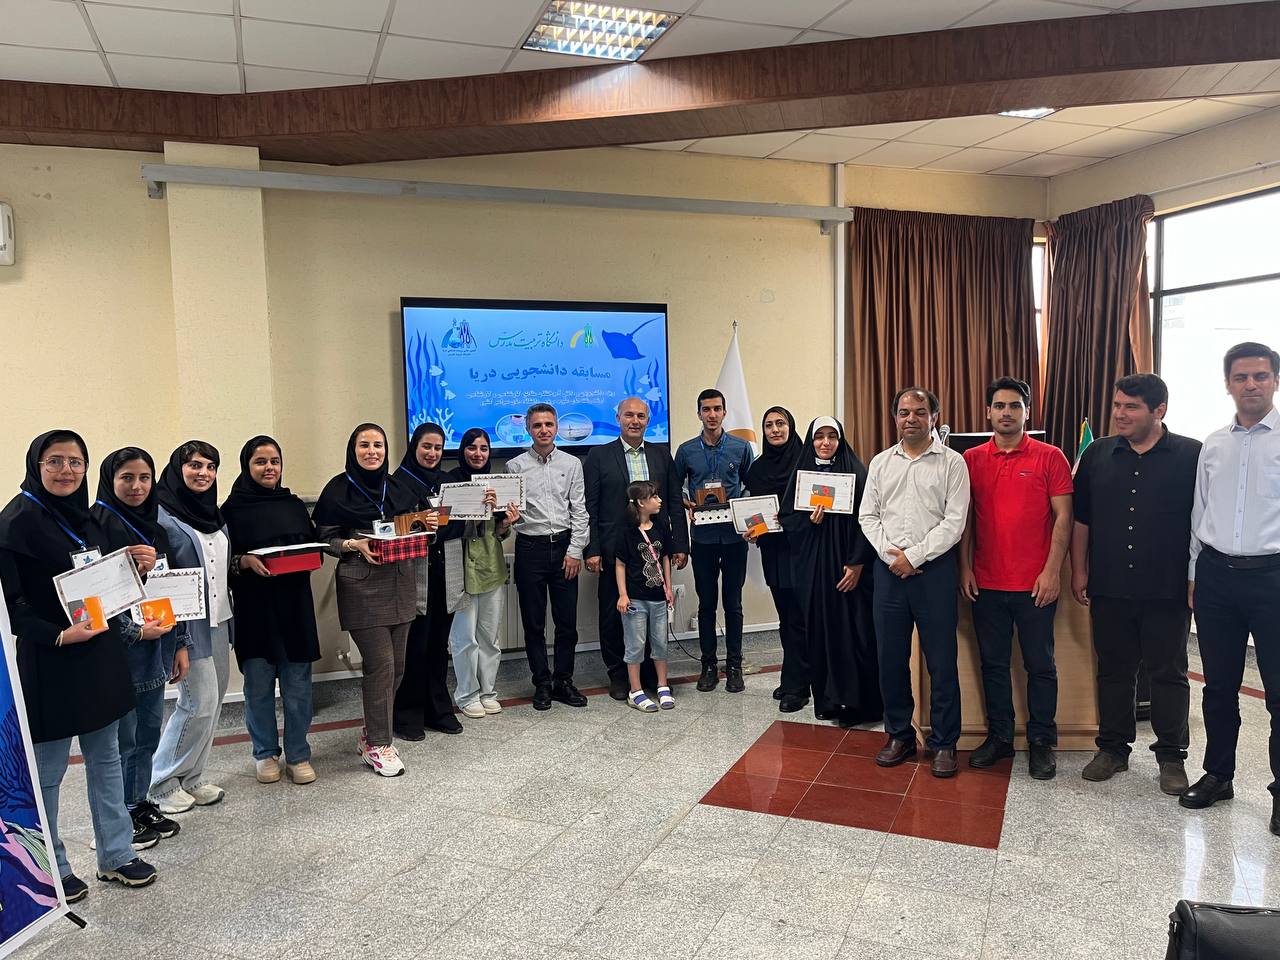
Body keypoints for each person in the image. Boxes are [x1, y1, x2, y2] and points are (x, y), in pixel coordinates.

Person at [0, 431, 158, 899]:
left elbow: (111, 589)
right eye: (55, 461)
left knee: (106, 760)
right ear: (36, 465)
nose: (66, 471)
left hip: (99, 656)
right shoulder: (14, 524)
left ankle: (117, 854)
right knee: (47, 773)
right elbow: (13, 606)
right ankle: (52, 867)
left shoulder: (92, 521)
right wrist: (60, 634)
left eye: (75, 462)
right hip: (49, 659)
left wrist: (137, 569)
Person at [1070, 374, 1198, 795]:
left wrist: (1195, 577)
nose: (1119, 414)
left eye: (1131, 407)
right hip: (1110, 584)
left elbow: (1203, 523)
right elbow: (1082, 519)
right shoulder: (1097, 454)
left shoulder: (1191, 456)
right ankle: (1112, 749)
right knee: (1114, 671)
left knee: (1168, 673)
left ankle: (1171, 756)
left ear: (1159, 410)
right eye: (1117, 405)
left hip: (1166, 587)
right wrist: (1079, 570)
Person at [1181, 342, 1280, 834]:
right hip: (1216, 575)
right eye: (1241, 377)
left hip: (1273, 577)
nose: (1251, 384)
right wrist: (1194, 573)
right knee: (1218, 687)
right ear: (1228, 385)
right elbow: (1200, 510)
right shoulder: (1214, 444)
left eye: (1260, 376)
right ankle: (1219, 775)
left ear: (1275, 381)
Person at [960, 377, 1073, 781]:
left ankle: (1042, 741)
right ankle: (1000, 737)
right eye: (999, 406)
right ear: (988, 412)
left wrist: (1052, 571)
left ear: (1027, 412)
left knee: (1040, 665)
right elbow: (965, 519)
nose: (1006, 412)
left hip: (1034, 586)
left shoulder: (1050, 457)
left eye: (1014, 406)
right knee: (993, 664)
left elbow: (1064, 517)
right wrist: (964, 567)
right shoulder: (970, 459)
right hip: (986, 584)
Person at [860, 387, 970, 778]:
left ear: (934, 417)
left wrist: (915, 556)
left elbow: (954, 523)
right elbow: (868, 516)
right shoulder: (880, 463)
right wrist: (893, 557)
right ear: (895, 418)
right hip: (889, 572)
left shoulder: (953, 463)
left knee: (941, 661)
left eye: (920, 412)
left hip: (934, 573)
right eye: (904, 412)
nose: (912, 419)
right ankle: (899, 735)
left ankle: (944, 742)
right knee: (890, 659)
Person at [91, 447, 190, 844]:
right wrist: (132, 632)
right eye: (126, 478)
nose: (136, 486)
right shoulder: (95, 527)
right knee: (123, 740)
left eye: (144, 478)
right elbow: (91, 597)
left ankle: (138, 802)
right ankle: (118, 817)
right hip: (120, 655)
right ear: (109, 481)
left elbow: (171, 590)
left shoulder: (155, 529)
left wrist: (180, 643)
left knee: (148, 734)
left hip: (157, 649)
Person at [314, 423, 419, 777]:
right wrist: (351, 544)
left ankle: (371, 734)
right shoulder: (337, 489)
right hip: (361, 586)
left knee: (397, 668)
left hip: (401, 584)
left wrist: (427, 526)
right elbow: (324, 538)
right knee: (381, 665)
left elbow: (416, 528)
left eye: (378, 445)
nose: (372, 451)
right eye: (364, 445)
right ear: (353, 449)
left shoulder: (400, 486)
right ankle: (378, 744)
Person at [221, 436, 321, 786]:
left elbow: (312, 547)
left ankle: (298, 754)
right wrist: (243, 561)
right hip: (255, 610)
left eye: (274, 461)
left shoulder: (293, 505)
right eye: (260, 461)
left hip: (295, 608)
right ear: (246, 466)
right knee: (258, 687)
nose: (269, 468)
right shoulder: (230, 510)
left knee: (299, 688)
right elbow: (221, 563)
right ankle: (265, 753)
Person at [585, 397, 689, 700]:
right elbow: (590, 506)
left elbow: (674, 502)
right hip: (614, 550)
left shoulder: (661, 455)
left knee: (653, 613)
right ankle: (619, 675)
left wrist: (680, 544)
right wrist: (592, 548)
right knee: (614, 612)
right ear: (618, 418)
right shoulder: (598, 455)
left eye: (641, 416)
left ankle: (649, 676)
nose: (635, 421)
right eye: (629, 415)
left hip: (653, 550)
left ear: (648, 420)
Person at [780, 417, 881, 725]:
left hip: (850, 569)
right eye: (819, 437)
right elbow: (787, 517)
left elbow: (869, 520)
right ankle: (829, 700)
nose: (825, 443)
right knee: (820, 633)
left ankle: (859, 704)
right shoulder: (802, 474)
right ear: (811, 441)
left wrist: (857, 563)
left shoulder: (857, 473)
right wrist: (808, 520)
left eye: (831, 437)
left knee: (855, 634)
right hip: (815, 571)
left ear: (840, 440)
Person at [151, 440, 234, 814]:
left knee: (213, 704)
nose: (203, 473)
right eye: (195, 465)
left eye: (210, 466)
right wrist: (175, 638)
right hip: (186, 626)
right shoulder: (161, 516)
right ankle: (160, 782)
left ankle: (192, 777)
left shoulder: (214, 514)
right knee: (197, 703)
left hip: (219, 619)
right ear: (177, 469)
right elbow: (159, 580)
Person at [507, 403, 589, 710]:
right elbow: (512, 514)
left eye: (549, 424)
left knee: (566, 622)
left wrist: (575, 551)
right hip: (530, 549)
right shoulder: (515, 466)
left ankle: (563, 681)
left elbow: (580, 511)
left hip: (565, 548)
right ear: (528, 429)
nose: (544, 430)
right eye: (537, 425)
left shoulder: (572, 464)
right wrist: (509, 517)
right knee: (533, 622)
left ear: (557, 427)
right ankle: (542, 682)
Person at [673, 388, 755, 693]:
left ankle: (734, 666)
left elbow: (751, 485)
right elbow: (675, 488)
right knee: (706, 604)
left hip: (734, 538)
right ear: (699, 414)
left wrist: (744, 511)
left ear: (724, 412)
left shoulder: (741, 447)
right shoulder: (686, 451)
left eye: (717, 409)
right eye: (706, 409)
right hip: (703, 539)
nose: (712, 414)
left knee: (733, 604)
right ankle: (708, 665)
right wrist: (685, 501)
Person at [445, 429, 519, 720]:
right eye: (472, 448)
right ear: (462, 450)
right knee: (464, 638)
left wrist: (506, 522)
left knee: (489, 637)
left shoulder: (496, 484)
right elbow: (444, 527)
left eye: (484, 448)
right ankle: (467, 694)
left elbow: (498, 532)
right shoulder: (450, 482)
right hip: (460, 570)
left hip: (490, 568)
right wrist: (473, 509)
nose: (478, 454)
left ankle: (488, 692)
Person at [391, 422, 458, 739]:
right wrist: (424, 522)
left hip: (444, 572)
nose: (432, 453)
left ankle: (438, 710)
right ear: (414, 447)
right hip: (413, 576)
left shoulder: (447, 483)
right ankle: (407, 716)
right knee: (413, 647)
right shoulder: (396, 484)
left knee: (438, 646)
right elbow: (392, 527)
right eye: (426, 446)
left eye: (438, 447)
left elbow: (457, 524)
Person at [743, 407, 805, 710]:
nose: (775, 430)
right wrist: (752, 530)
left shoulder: (807, 463)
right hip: (774, 552)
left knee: (802, 620)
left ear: (791, 426)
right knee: (786, 618)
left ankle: (799, 686)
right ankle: (793, 676)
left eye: (781, 423)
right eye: (769, 425)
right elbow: (756, 510)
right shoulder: (757, 469)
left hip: (804, 552)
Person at [615, 480, 676, 712]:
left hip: (658, 598)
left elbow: (665, 559)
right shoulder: (627, 532)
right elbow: (620, 564)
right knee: (635, 644)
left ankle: (662, 685)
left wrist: (668, 588)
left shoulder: (661, 527)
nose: (659, 500)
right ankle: (635, 690)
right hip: (635, 599)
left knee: (660, 642)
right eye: (654, 497)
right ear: (641, 502)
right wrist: (623, 594)